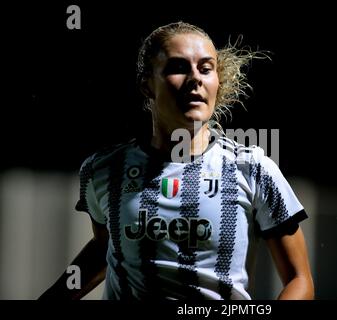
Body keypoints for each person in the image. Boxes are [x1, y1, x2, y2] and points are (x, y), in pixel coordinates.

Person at [39, 21, 314, 300]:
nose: (195, 78)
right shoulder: (103, 170)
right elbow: (106, 246)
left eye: (206, 69)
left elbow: (299, 279)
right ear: (147, 84)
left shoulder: (253, 169)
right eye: (179, 67)